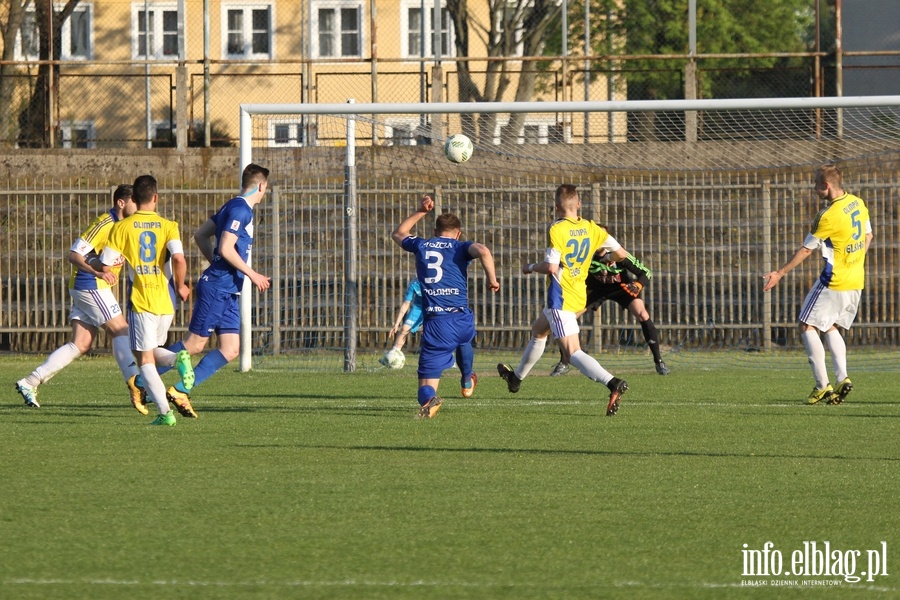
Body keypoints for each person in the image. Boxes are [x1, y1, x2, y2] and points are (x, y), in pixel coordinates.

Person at [497, 184, 629, 416]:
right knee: (538, 331)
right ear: (578, 204)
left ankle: (612, 382)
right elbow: (621, 255)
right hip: (579, 295)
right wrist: (606, 258)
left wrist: (529, 266)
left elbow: (550, 267)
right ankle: (515, 379)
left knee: (572, 353)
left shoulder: (557, 229)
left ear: (557, 207)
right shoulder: (592, 228)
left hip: (561, 298)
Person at [154, 163, 272, 414]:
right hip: (218, 288)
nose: (265, 193)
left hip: (229, 290)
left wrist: (218, 263)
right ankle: (143, 377)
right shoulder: (241, 211)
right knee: (194, 345)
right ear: (261, 186)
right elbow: (226, 248)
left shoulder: (231, 205)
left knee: (230, 350)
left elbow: (200, 235)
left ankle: (179, 390)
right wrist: (252, 274)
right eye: (265, 189)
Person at [15, 185, 142, 407]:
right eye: (134, 200)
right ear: (121, 202)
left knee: (81, 343)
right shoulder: (105, 223)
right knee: (121, 330)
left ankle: (30, 381)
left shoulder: (125, 226)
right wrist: (96, 271)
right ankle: (137, 384)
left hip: (91, 286)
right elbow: (74, 254)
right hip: (90, 284)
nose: (138, 205)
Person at [763, 164, 873, 405]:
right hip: (856, 280)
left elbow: (806, 249)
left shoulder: (827, 216)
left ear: (826, 186)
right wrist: (855, 261)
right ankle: (843, 378)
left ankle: (822, 386)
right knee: (830, 325)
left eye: (815, 185)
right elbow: (868, 236)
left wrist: (779, 273)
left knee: (806, 325)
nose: (813, 189)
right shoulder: (857, 202)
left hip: (833, 281)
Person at [390, 194, 500, 418]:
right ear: (458, 233)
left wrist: (421, 211)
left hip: (438, 323)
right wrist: (492, 279)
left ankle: (430, 400)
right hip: (463, 319)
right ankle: (467, 377)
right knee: (462, 340)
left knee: (425, 384)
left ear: (434, 231)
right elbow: (484, 251)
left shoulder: (422, 245)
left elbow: (398, 234)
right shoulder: (460, 247)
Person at [100, 174, 193, 426]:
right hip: (166, 302)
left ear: (134, 199)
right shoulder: (169, 225)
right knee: (149, 350)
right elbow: (179, 260)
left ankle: (165, 412)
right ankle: (177, 359)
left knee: (144, 360)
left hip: (141, 301)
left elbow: (106, 262)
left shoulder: (122, 227)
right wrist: (181, 285)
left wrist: (97, 264)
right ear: (155, 198)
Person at [549, 248, 669, 376]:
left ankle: (659, 361)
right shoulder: (585, 255)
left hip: (620, 289)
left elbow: (646, 272)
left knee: (643, 314)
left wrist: (638, 285)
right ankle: (564, 361)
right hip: (594, 290)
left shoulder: (620, 254)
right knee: (567, 317)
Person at [379, 278, 424, 367]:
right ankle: (393, 355)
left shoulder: (436, 282)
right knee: (404, 329)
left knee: (434, 332)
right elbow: (406, 303)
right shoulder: (414, 284)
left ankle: (448, 359)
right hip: (418, 308)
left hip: (434, 307)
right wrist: (396, 324)